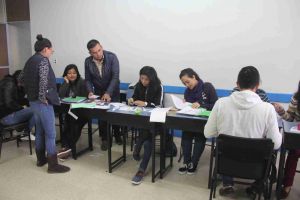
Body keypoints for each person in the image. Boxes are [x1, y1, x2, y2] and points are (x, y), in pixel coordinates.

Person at [204, 66, 282, 196]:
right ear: (257, 85)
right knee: (270, 153)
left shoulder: (221, 103)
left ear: (237, 84)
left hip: (226, 163)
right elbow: (276, 144)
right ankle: (256, 186)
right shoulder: (268, 109)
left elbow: (208, 133)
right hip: (256, 166)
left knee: (224, 146)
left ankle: (227, 183)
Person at [21, 34, 70, 173]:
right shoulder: (42, 60)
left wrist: (30, 92)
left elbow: (21, 78)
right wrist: (42, 97)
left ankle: (40, 159)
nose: (52, 51)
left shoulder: (30, 60)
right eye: (51, 49)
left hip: (32, 101)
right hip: (42, 102)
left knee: (40, 130)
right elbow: (43, 81)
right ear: (45, 49)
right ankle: (53, 165)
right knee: (51, 134)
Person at [177, 68, 218, 175]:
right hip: (191, 120)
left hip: (204, 121)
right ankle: (186, 162)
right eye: (184, 83)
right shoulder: (187, 92)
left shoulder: (207, 87)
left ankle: (194, 163)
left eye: (187, 82)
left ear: (194, 77)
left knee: (200, 136)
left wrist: (202, 105)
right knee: (186, 135)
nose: (186, 85)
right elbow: (189, 108)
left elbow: (215, 106)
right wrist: (183, 106)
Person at [128, 66, 163, 185]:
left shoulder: (159, 87)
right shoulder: (139, 85)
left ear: (152, 79)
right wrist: (132, 99)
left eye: (146, 79)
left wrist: (146, 103)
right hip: (142, 120)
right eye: (141, 78)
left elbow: (158, 105)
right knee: (144, 134)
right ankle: (137, 152)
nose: (143, 81)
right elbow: (135, 97)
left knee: (148, 142)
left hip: (155, 121)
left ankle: (141, 170)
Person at [84, 39, 122, 150]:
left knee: (115, 114)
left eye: (99, 50)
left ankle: (117, 134)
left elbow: (115, 77)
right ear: (90, 53)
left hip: (113, 90)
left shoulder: (112, 57)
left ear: (101, 47)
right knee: (102, 116)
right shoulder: (87, 61)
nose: (98, 54)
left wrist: (108, 93)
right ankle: (105, 138)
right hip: (99, 92)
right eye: (94, 52)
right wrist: (90, 91)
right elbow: (88, 80)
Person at [273, 81, 300, 199]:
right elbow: (290, 118)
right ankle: (287, 185)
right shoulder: (296, 97)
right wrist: (281, 111)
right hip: (297, 135)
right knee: (294, 153)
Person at [58, 64, 89, 160]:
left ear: (77, 73)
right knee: (67, 124)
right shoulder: (65, 82)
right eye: (69, 73)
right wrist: (66, 83)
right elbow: (61, 95)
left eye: (74, 73)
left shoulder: (82, 82)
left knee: (74, 126)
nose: (72, 75)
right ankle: (66, 147)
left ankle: (68, 148)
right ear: (66, 74)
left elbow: (84, 97)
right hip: (70, 112)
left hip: (81, 112)